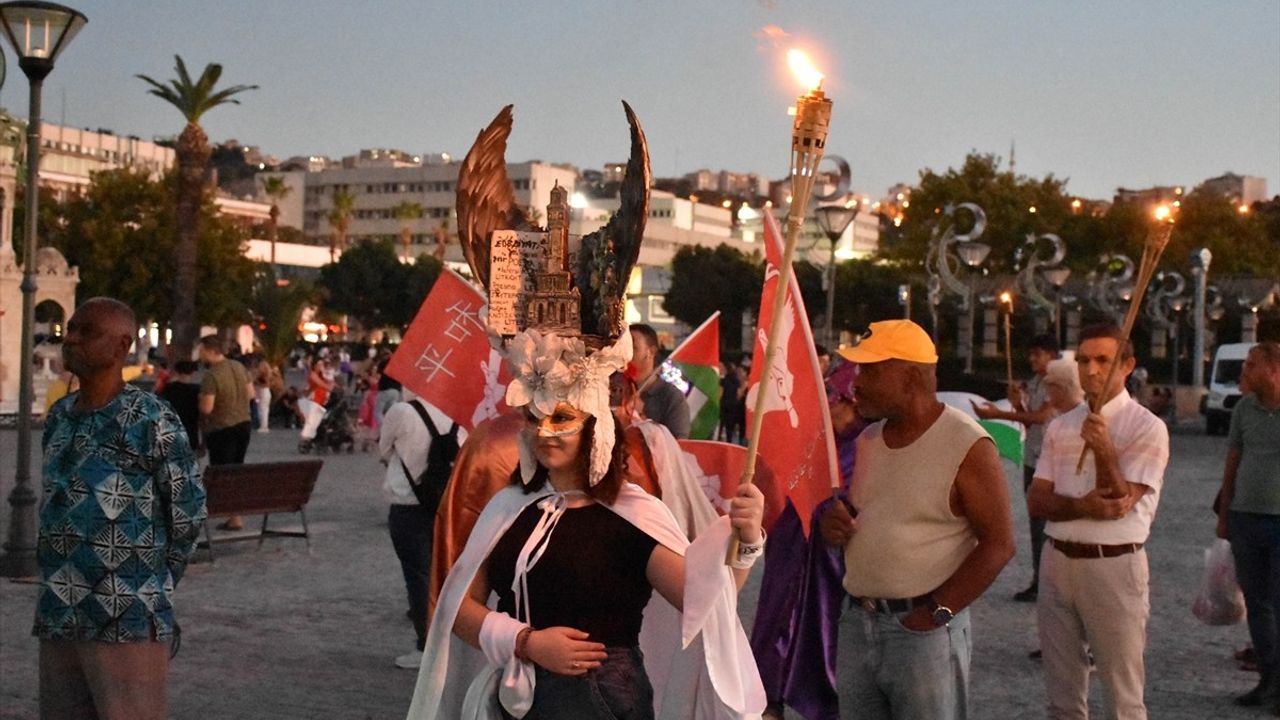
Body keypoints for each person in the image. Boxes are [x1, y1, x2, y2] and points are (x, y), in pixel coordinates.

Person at [409, 329, 766, 719]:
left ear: (593, 424)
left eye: (562, 418)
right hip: (516, 698)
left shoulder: (632, 515)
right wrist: (526, 642)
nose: (545, 432)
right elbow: (458, 609)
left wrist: (746, 541)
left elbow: (705, 599)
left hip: (601, 699)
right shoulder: (508, 508)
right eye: (535, 418)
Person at [819, 319, 1015, 720]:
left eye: (870, 370)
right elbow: (870, 520)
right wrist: (833, 528)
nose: (856, 382)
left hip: (923, 634)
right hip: (857, 622)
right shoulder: (868, 439)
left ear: (910, 378)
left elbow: (999, 544)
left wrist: (937, 614)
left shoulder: (968, 444)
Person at [35, 297, 206, 720]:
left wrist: (149, 585)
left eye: (86, 331)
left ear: (121, 347)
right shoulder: (60, 417)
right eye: (70, 329)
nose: (70, 339)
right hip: (60, 607)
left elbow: (187, 511)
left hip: (126, 611)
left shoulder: (151, 418)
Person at [1028, 323, 1170, 720]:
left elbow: (1121, 500)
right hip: (1058, 560)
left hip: (1114, 564)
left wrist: (1106, 449)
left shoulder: (1147, 427)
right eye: (1084, 360)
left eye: (1103, 361)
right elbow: (1037, 500)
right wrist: (1081, 506)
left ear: (1127, 366)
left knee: (1122, 697)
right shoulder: (1061, 425)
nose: (1091, 370)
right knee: (1062, 697)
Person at [756, 359, 867, 720]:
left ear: (851, 401)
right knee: (771, 653)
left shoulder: (869, 449)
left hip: (829, 578)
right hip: (788, 561)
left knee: (828, 663)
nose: (825, 407)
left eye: (832, 399)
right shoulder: (814, 442)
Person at [380, 393, 468, 670]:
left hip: (408, 505)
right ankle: (454, 643)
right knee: (449, 574)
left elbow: (383, 451)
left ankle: (425, 646)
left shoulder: (401, 412)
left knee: (418, 578)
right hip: (448, 508)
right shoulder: (460, 416)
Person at [1214, 342, 1280, 711]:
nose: (1245, 371)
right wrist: (1225, 513)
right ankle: (1268, 680)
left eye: (1252, 365)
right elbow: (1233, 460)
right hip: (1246, 519)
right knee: (1257, 605)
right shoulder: (1244, 409)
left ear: (1273, 370)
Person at [971, 333, 1060, 602]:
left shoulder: (1056, 382)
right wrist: (1017, 403)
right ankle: (1039, 579)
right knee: (1036, 524)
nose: (1032, 358)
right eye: (1031, 353)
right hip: (1033, 457)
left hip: (1051, 460)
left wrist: (999, 414)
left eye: (1037, 353)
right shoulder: (1035, 382)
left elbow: (1042, 416)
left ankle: (1049, 582)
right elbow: (1031, 422)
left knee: (1047, 525)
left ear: (1051, 355)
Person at [198, 335, 254, 530]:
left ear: (211, 351)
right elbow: (252, 394)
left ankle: (231, 515)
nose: (199, 353)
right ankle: (234, 516)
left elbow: (206, 408)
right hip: (243, 425)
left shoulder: (212, 375)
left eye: (202, 350)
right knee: (235, 470)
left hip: (222, 429)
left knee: (222, 473)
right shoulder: (239, 367)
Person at [628, 323, 691, 439]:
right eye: (622, 348)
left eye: (633, 348)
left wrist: (641, 419)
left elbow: (679, 446)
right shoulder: (612, 389)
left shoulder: (672, 397)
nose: (625, 354)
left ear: (651, 352)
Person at [158, 360, 203, 453]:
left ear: (176, 372)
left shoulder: (168, 389)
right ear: (193, 373)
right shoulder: (196, 390)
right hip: (190, 433)